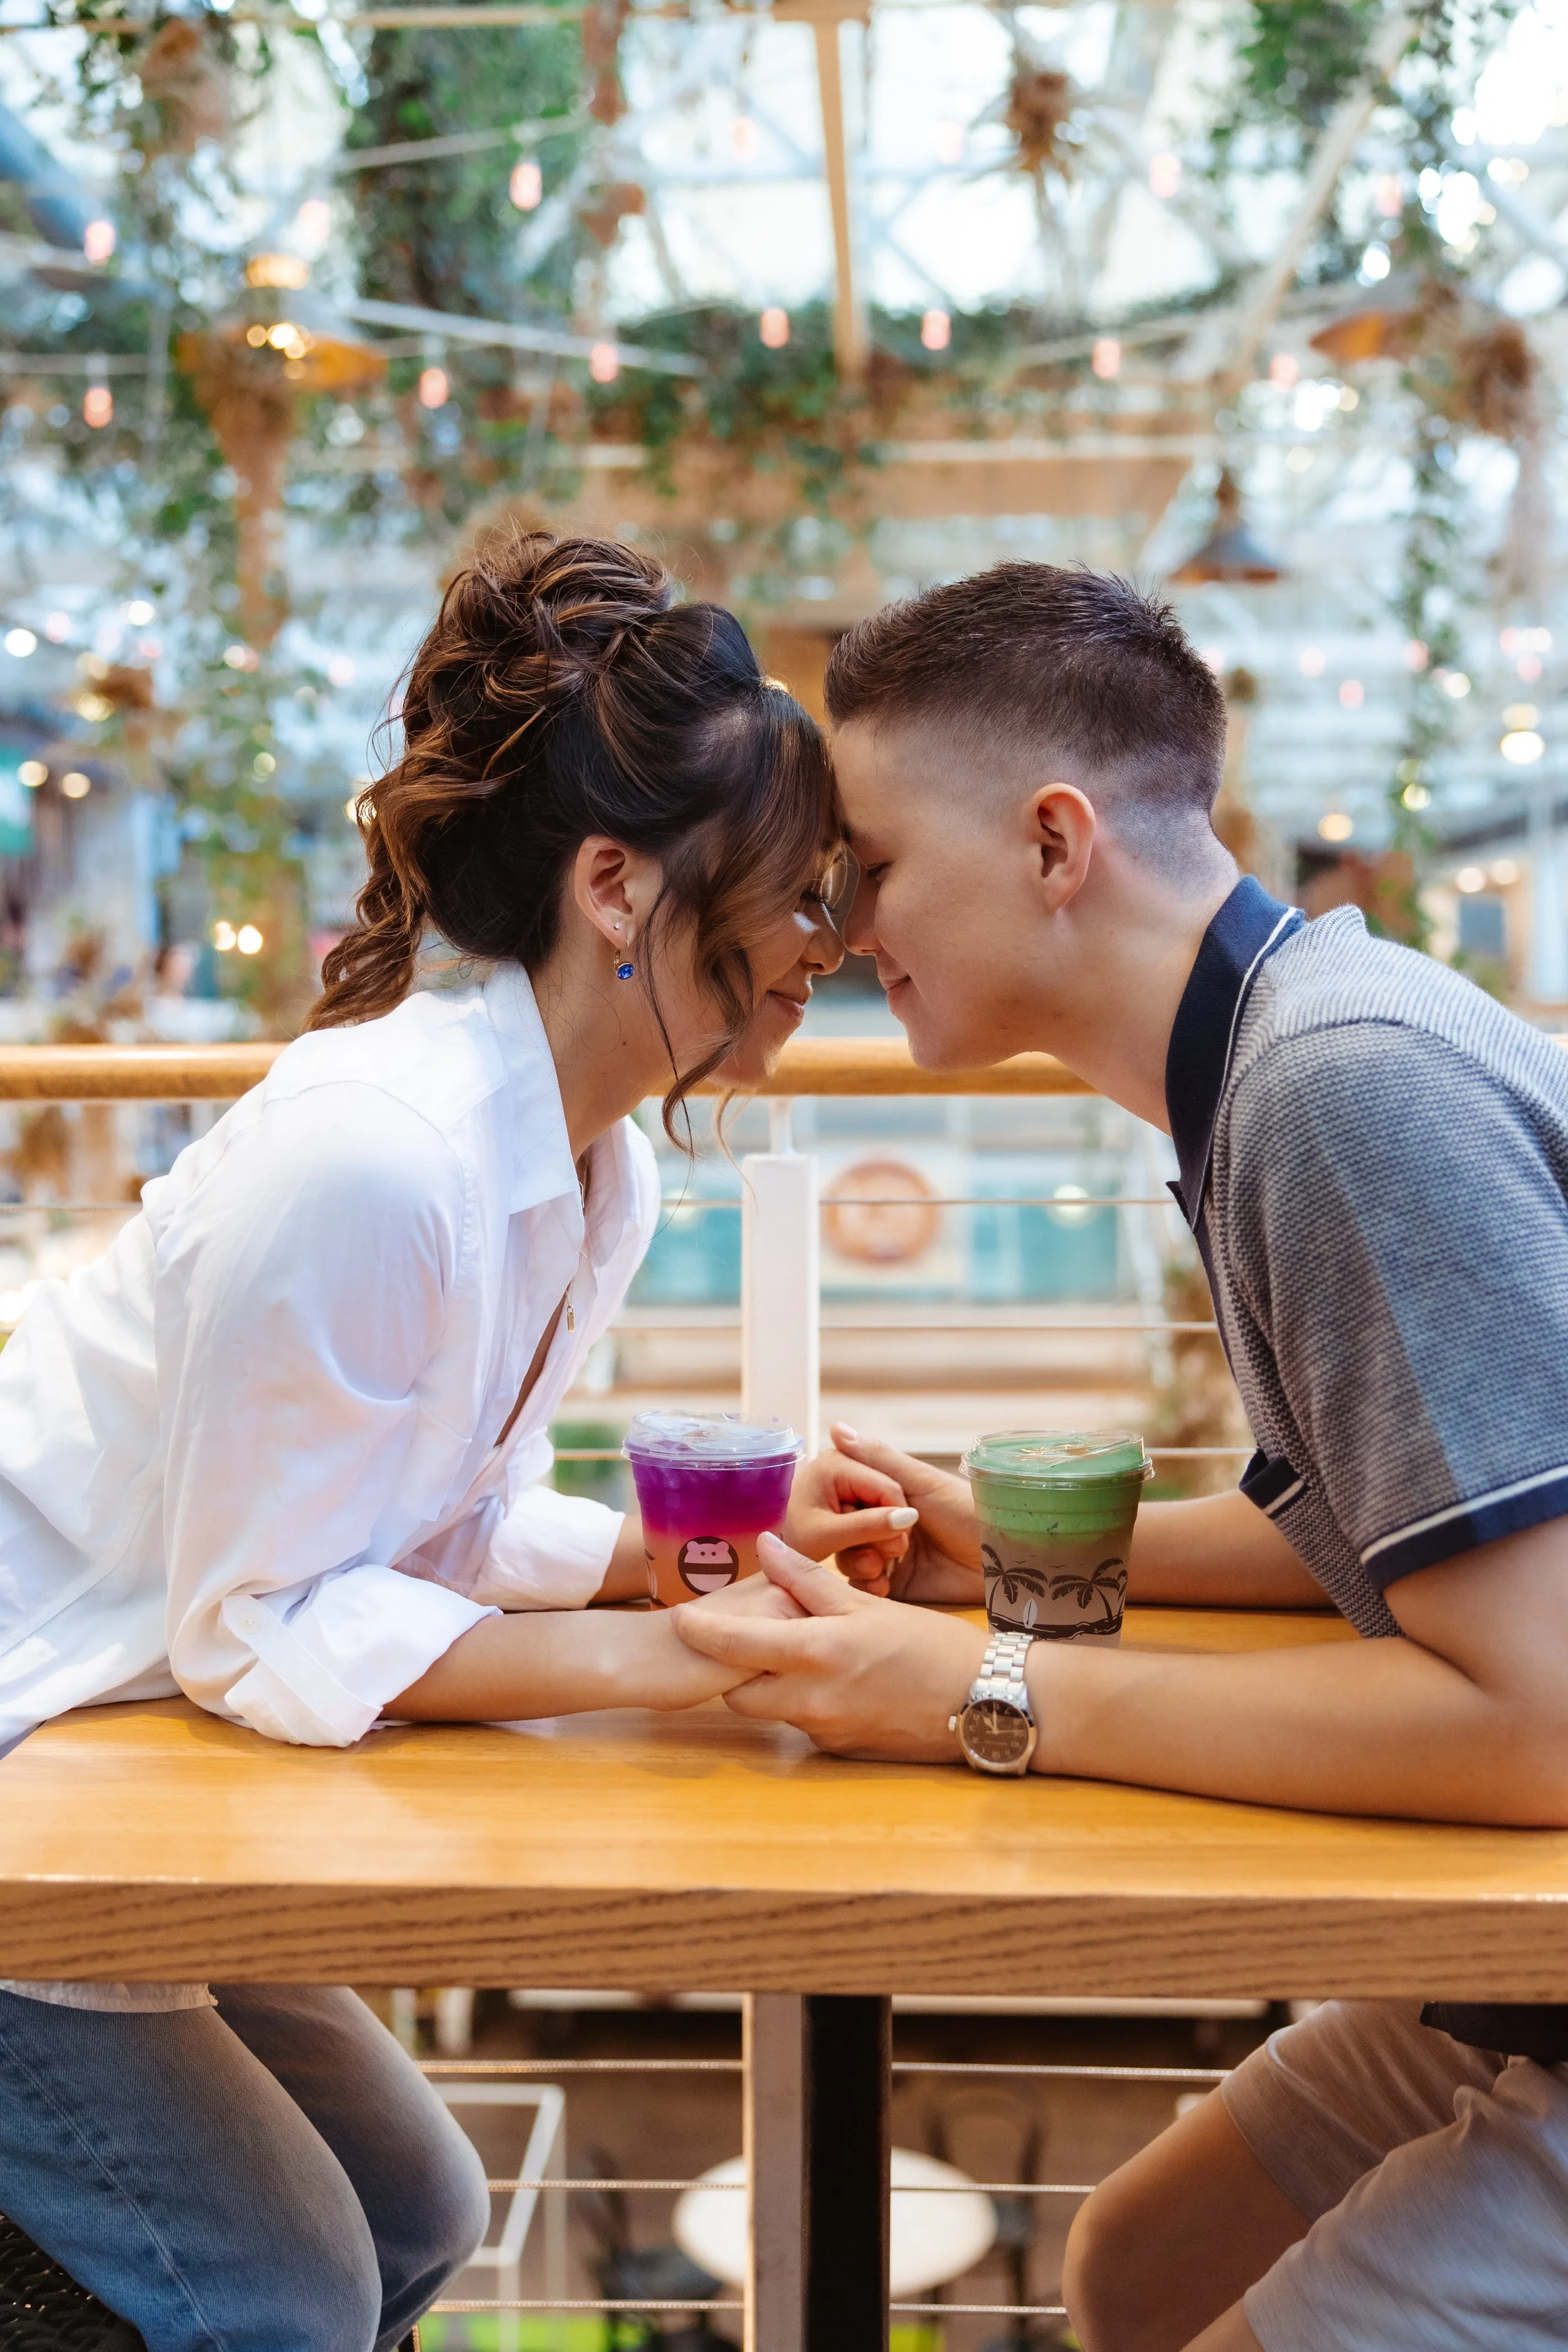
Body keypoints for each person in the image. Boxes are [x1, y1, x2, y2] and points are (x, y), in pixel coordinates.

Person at [0, 531, 886, 2352]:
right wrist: (664, 1651)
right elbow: (257, 1623)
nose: (830, 942)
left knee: (422, 2205)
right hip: (38, 1732)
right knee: (281, 2291)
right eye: (796, 891)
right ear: (618, 885)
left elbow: (429, 1525)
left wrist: (672, 1559)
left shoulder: (597, 1157)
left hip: (129, 1725)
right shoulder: (376, 1149)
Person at [672, 562, 1568, 2352]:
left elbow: (1538, 1713)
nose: (838, 930)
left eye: (873, 865)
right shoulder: (1276, 1047)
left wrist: (977, 1682)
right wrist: (1004, 1551)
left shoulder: (1333, 1086)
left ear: (1055, 841)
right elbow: (1398, 1526)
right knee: (1136, 2264)